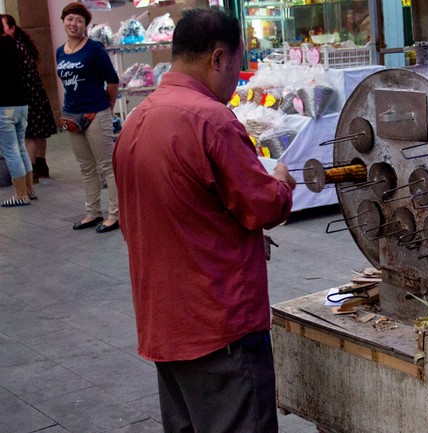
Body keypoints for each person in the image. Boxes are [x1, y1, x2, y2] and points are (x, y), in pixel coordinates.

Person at [113, 8, 296, 432]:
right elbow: (263, 206)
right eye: (237, 64)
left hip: (164, 324)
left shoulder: (137, 118)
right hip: (219, 329)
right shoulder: (211, 120)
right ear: (218, 59)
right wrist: (282, 182)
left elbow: (149, 218)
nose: (237, 78)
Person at [56, 2, 120, 233]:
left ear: (85, 25)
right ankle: (92, 213)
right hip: (71, 114)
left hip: (96, 112)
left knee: (107, 166)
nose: (74, 24)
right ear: (64, 21)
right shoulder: (60, 51)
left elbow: (112, 80)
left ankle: (116, 215)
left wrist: (108, 106)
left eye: (79, 20)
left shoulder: (94, 49)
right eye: (70, 19)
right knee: (86, 168)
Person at [1, 14, 58, 183]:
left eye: (2, 26)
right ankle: (41, 164)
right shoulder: (24, 45)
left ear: (12, 28)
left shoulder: (12, 48)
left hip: (26, 96)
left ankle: (31, 172)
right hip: (36, 94)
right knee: (39, 133)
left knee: (29, 135)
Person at [0, 29, 36, 207]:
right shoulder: (12, 44)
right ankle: (29, 190)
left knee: (11, 151)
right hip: (21, 104)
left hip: (4, 106)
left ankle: (20, 194)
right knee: (20, 147)